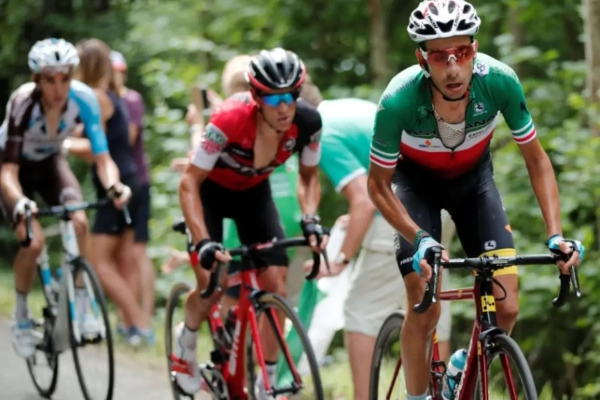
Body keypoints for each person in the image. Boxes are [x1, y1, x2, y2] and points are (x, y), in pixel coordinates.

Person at [367, 2, 585, 400]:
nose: (453, 68)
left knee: (507, 308)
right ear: (422, 59)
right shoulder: (398, 100)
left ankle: (462, 372)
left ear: (475, 50)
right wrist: (420, 239)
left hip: (474, 185)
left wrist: (556, 236)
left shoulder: (499, 81)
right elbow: (377, 186)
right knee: (426, 306)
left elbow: (537, 160)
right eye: (439, 56)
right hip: (416, 187)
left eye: (462, 53)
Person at [175, 47, 328, 397]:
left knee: (275, 285)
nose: (284, 107)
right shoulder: (229, 119)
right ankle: (185, 344)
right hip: (210, 194)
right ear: (257, 97)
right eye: (274, 98)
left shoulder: (308, 122)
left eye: (291, 96)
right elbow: (189, 182)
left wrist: (310, 218)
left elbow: (308, 178)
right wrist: (203, 241)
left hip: (254, 196)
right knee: (212, 285)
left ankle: (267, 381)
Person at [299, 85, 453, 400]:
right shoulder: (347, 109)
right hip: (443, 206)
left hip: (403, 215)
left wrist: (340, 260)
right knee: (432, 302)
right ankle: (444, 390)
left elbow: (364, 202)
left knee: (361, 313)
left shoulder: (322, 133)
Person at [0, 37, 131, 358]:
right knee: (32, 242)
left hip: (50, 164)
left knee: (80, 221)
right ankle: (21, 314)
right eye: (50, 80)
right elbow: (8, 172)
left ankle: (82, 302)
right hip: (15, 171)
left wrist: (115, 186)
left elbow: (103, 159)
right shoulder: (23, 104)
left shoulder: (84, 99)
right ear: (37, 80)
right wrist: (20, 201)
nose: (59, 88)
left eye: (65, 78)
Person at [75, 38, 152, 345]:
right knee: (124, 258)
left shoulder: (95, 97)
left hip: (115, 185)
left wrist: (62, 144)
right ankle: (133, 326)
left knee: (99, 262)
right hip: (130, 180)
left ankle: (138, 323)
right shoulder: (112, 95)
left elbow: (96, 148)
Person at [110, 50, 156, 340]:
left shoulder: (131, 100)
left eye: (117, 71)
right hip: (116, 184)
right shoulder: (104, 101)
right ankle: (128, 321)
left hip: (137, 182)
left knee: (137, 253)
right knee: (121, 255)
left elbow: (127, 138)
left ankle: (143, 320)